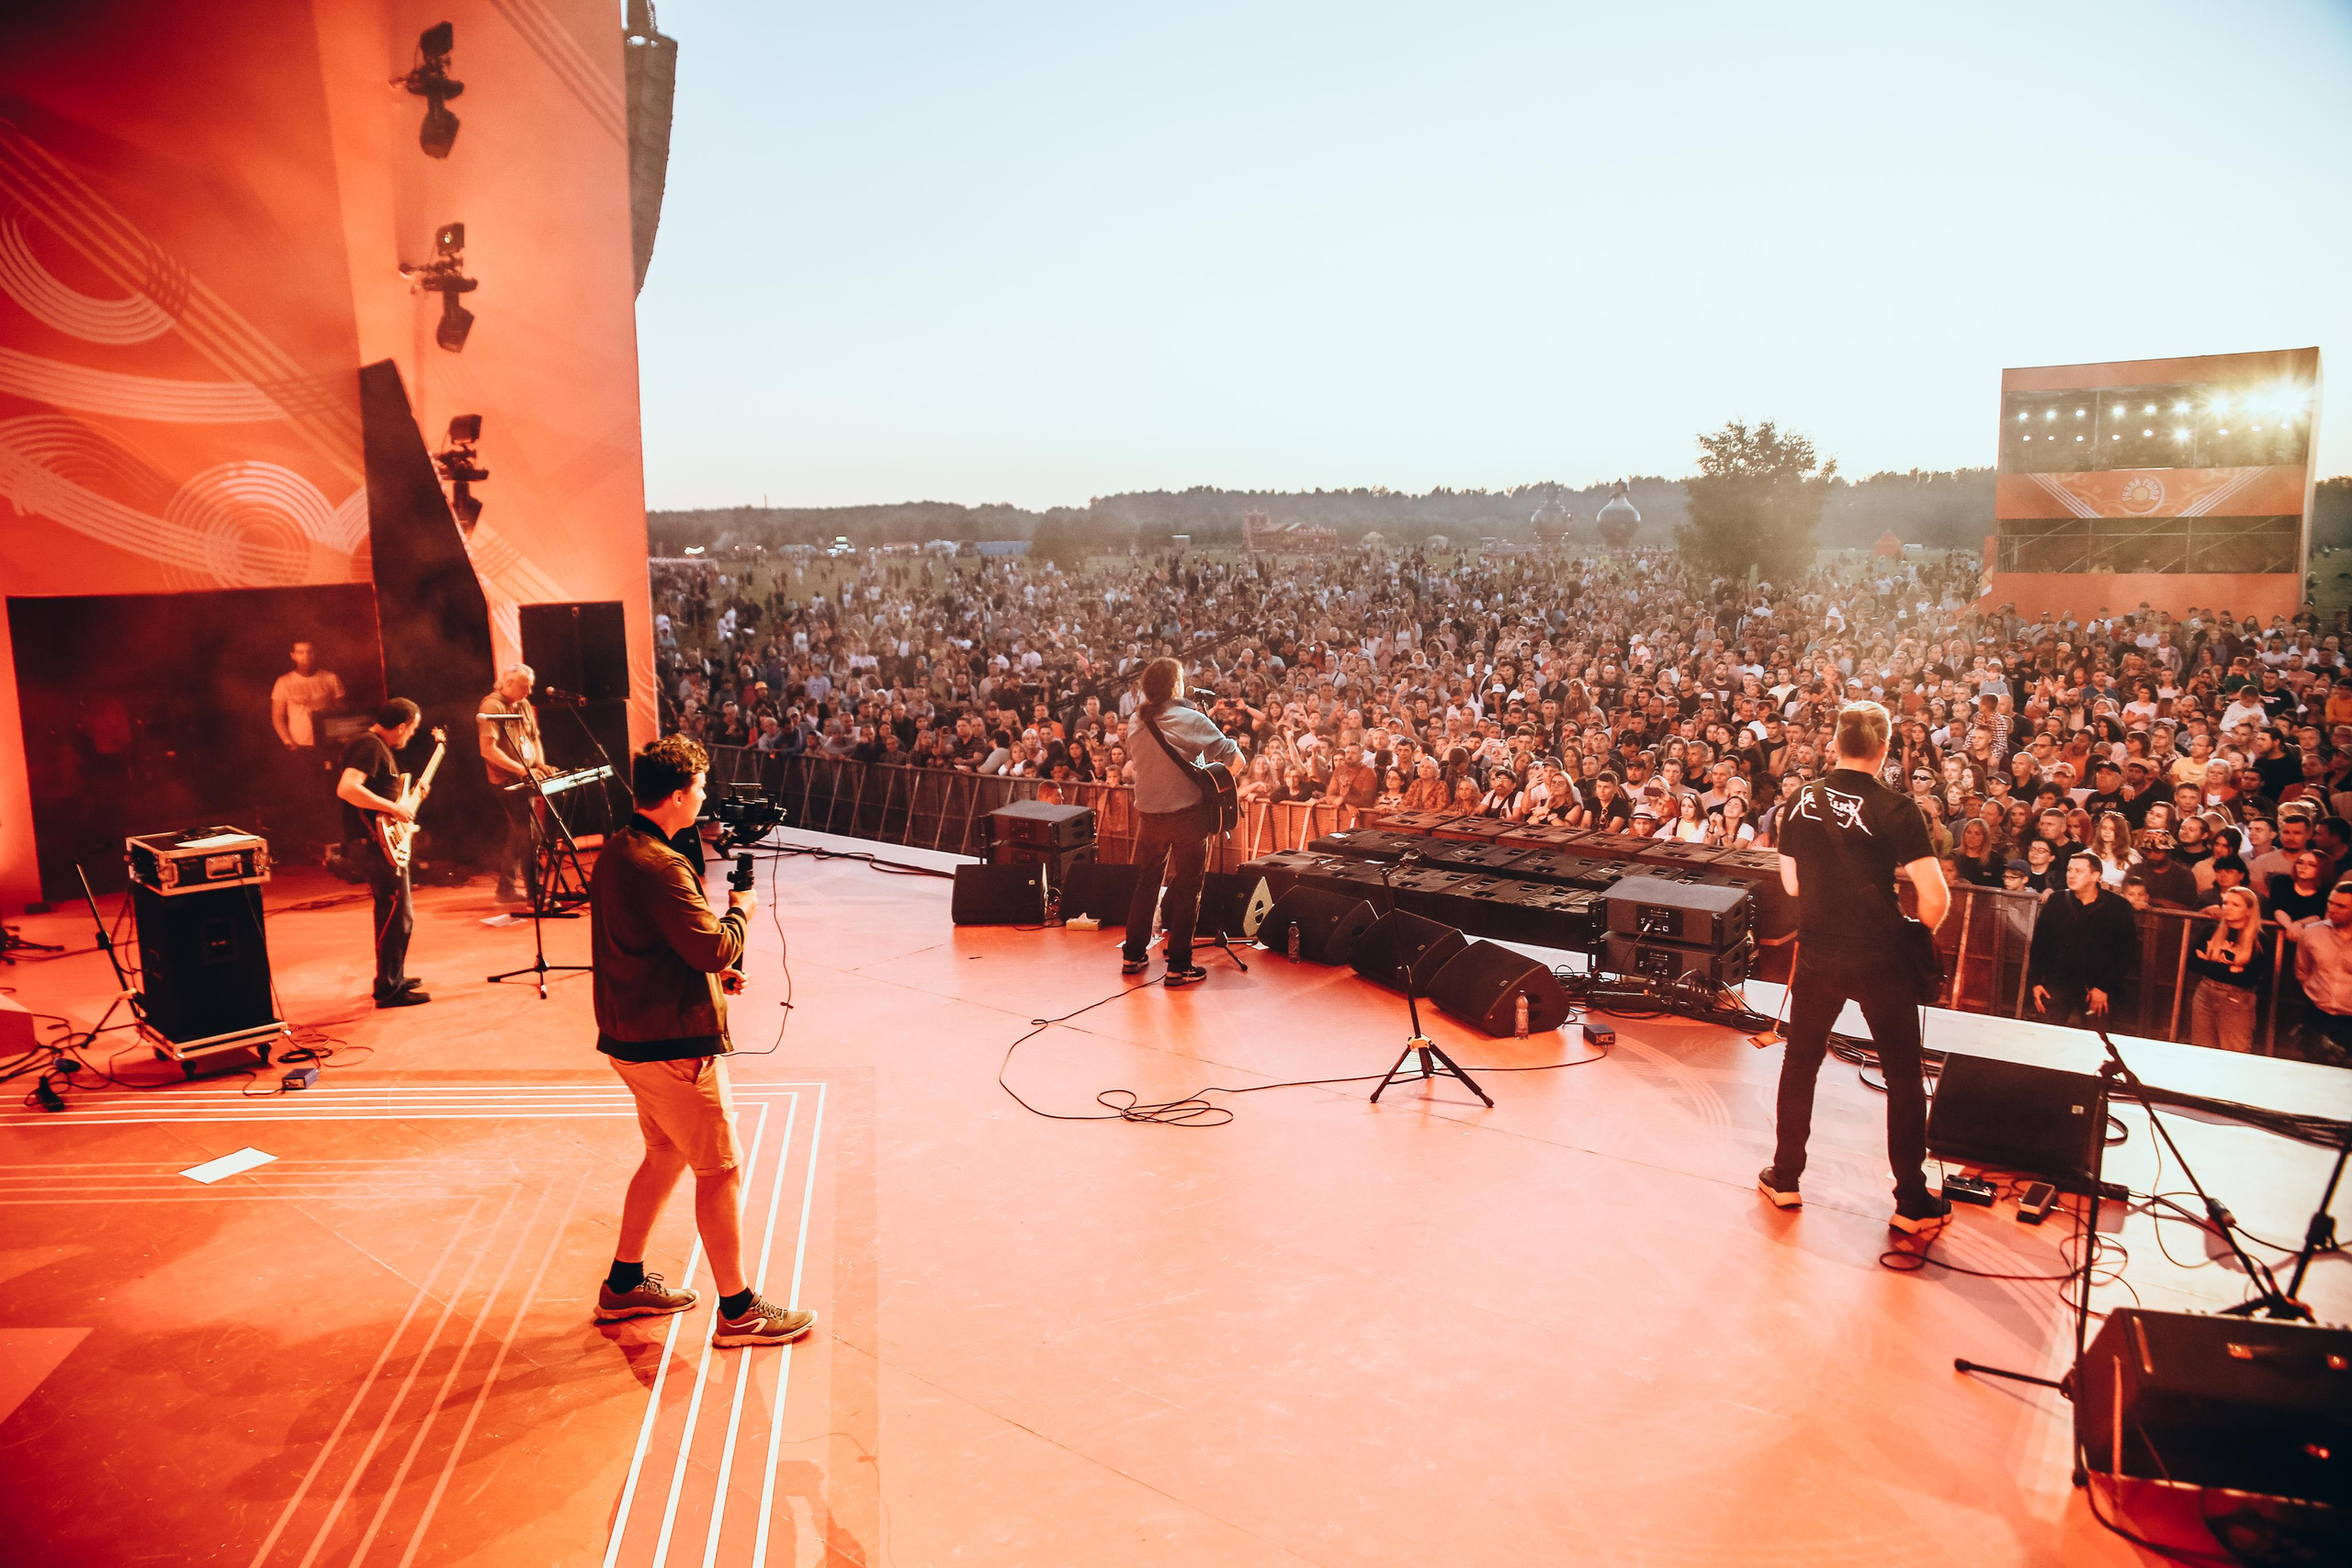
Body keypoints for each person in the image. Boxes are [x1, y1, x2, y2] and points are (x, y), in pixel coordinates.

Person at [589, 734, 819, 1348]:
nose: (704, 797)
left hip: (630, 1036)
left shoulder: (621, 849)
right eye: (698, 788)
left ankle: (624, 1284)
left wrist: (708, 967)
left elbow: (662, 942)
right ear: (675, 794)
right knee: (720, 1169)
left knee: (664, 1154)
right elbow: (715, 943)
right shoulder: (661, 866)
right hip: (672, 1044)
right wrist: (739, 909)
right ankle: (739, 1311)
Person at [1762, 700, 1954, 1235]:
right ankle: (1911, 1199)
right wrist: (1917, 935)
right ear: (1885, 748)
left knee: (1800, 1064)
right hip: (1880, 958)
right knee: (1902, 1073)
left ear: (1836, 744)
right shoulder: (1898, 809)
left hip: (1820, 953)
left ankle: (1784, 1178)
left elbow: (1794, 885)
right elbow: (1934, 899)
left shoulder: (1799, 801)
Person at [1121, 657, 1241, 987]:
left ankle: (1132, 955)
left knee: (1146, 885)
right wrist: (1217, 788)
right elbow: (1236, 759)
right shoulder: (1191, 719)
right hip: (1188, 817)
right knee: (1188, 889)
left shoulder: (1135, 721)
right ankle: (1179, 966)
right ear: (1176, 686)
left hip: (1148, 818)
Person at [335, 699, 431, 1008]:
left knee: (392, 914)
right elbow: (347, 788)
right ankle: (389, 989)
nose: (410, 736)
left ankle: (393, 977)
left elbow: (382, 794)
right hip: (373, 846)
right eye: (412, 729)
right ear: (401, 726)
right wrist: (393, 807)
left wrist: (409, 798)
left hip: (379, 843)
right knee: (398, 916)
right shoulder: (369, 746)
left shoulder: (375, 746)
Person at [2026, 853, 2136, 1028]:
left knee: (2097, 1042)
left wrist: (2104, 987)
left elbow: (2127, 953)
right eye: (2069, 870)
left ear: (2095, 876)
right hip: (2058, 983)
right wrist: (2036, 981)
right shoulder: (2057, 901)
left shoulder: (2118, 907)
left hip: (2098, 986)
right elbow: (2040, 945)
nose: (2071, 875)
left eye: (2079, 871)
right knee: (2044, 1037)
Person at [479, 663, 547, 906]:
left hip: (525, 776)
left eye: (530, 687)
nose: (529, 692)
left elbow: (534, 738)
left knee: (522, 834)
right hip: (507, 781)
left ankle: (506, 889)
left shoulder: (524, 705)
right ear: (508, 683)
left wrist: (539, 764)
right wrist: (520, 769)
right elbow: (487, 750)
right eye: (525, 687)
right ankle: (533, 892)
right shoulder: (492, 706)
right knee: (529, 835)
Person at [2185, 885, 2268, 1054]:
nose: (2227, 908)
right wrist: (2231, 968)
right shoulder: (2210, 930)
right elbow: (2192, 963)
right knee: (2201, 1050)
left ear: (2249, 911)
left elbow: (2248, 978)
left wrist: (2209, 963)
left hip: (2236, 999)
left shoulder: (2259, 940)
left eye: (2235, 905)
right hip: (2205, 992)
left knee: (2234, 1051)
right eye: (2225, 903)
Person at [2293, 881, 2352, 1065]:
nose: (2332, 909)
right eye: (2330, 903)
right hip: (2316, 1015)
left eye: (2341, 906)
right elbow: (2302, 971)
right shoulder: (2313, 932)